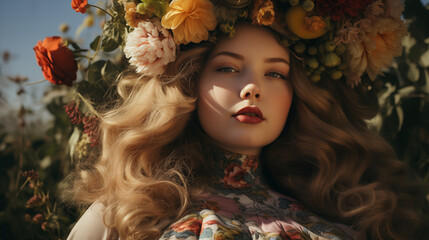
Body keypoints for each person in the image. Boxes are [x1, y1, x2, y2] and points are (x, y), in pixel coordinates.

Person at [64, 1, 428, 240]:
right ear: (189, 82)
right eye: (228, 68)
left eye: (276, 74)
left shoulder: (347, 217)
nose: (252, 87)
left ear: (296, 95)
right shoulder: (129, 214)